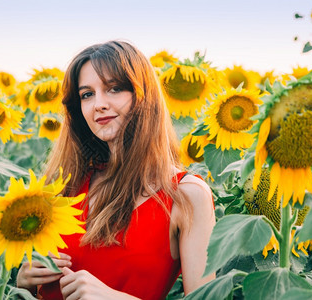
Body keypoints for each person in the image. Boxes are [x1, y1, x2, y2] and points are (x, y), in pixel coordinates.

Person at [17, 40, 216, 299]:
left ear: (144, 95)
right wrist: (26, 283)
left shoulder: (186, 194)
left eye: (114, 88)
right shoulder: (66, 184)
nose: (98, 103)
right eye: (86, 94)